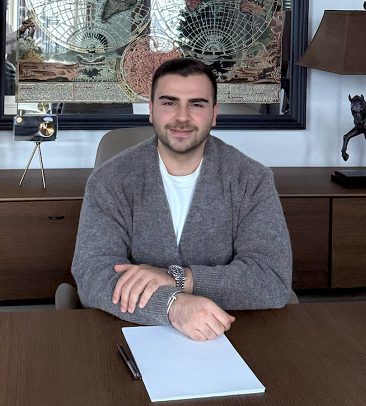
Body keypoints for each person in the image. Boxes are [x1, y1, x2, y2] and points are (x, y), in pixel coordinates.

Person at [71, 58, 292, 342]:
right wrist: (172, 306)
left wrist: (179, 279)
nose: (182, 117)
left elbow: (271, 280)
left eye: (197, 104)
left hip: (231, 332)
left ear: (214, 114)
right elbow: (94, 275)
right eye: (169, 103)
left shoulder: (252, 179)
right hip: (129, 332)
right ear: (151, 111)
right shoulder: (109, 180)